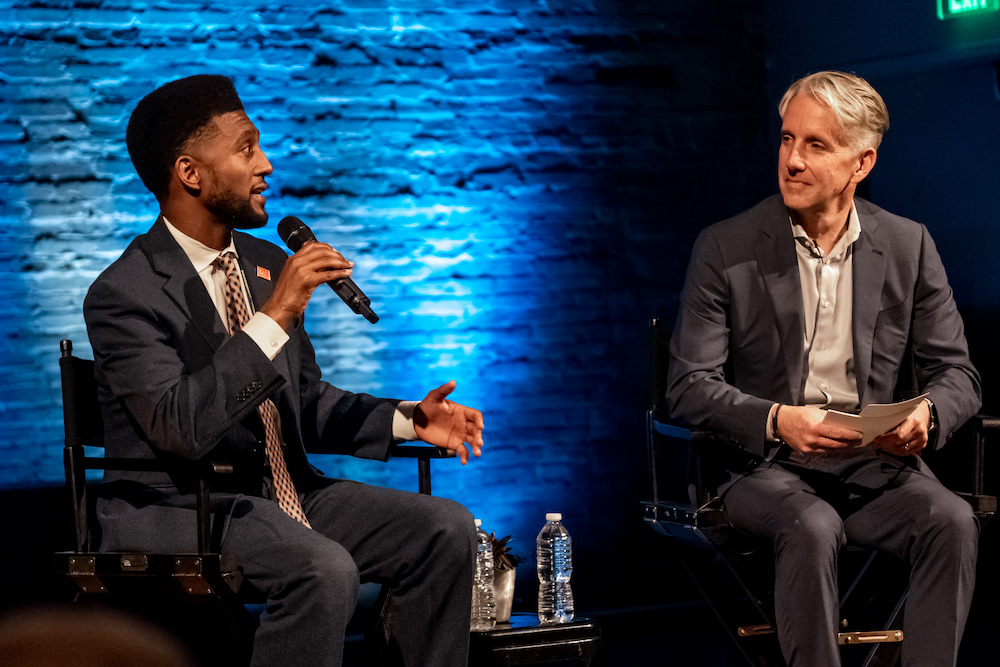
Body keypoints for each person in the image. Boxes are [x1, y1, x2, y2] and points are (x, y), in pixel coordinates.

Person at [83, 74, 485, 667]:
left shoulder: (267, 264)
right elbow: (179, 429)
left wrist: (406, 420)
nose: (266, 164)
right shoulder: (126, 292)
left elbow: (306, 401)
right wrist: (274, 316)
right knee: (322, 568)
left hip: (282, 492)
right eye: (247, 148)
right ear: (190, 173)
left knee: (445, 530)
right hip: (177, 506)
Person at [665, 71, 981, 666]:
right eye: (787, 140)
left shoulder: (908, 245)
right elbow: (687, 386)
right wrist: (779, 419)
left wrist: (928, 415)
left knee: (953, 521)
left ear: (861, 163)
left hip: (871, 467)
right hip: (759, 468)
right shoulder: (726, 247)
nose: (792, 160)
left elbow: (959, 374)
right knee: (810, 524)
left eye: (816, 145)